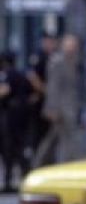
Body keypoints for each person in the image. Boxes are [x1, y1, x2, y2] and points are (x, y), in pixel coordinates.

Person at [42, 34, 86, 163]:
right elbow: (53, 86)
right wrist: (52, 108)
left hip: (73, 106)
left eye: (74, 46)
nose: (73, 48)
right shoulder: (57, 62)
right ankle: (62, 162)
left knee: (61, 138)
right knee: (65, 138)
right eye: (70, 46)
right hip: (61, 107)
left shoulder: (77, 62)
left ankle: (49, 161)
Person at [0, 51, 33, 192]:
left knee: (9, 149)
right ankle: (26, 177)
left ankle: (9, 182)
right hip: (21, 116)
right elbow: (32, 94)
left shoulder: (8, 74)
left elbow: (4, 90)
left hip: (10, 117)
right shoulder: (21, 74)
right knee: (18, 148)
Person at [26, 32, 58, 164]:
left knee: (49, 134)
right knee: (39, 134)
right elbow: (32, 76)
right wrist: (46, 91)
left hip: (51, 102)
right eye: (48, 41)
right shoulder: (39, 56)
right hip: (40, 102)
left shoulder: (55, 57)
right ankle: (36, 161)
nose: (50, 44)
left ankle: (47, 160)